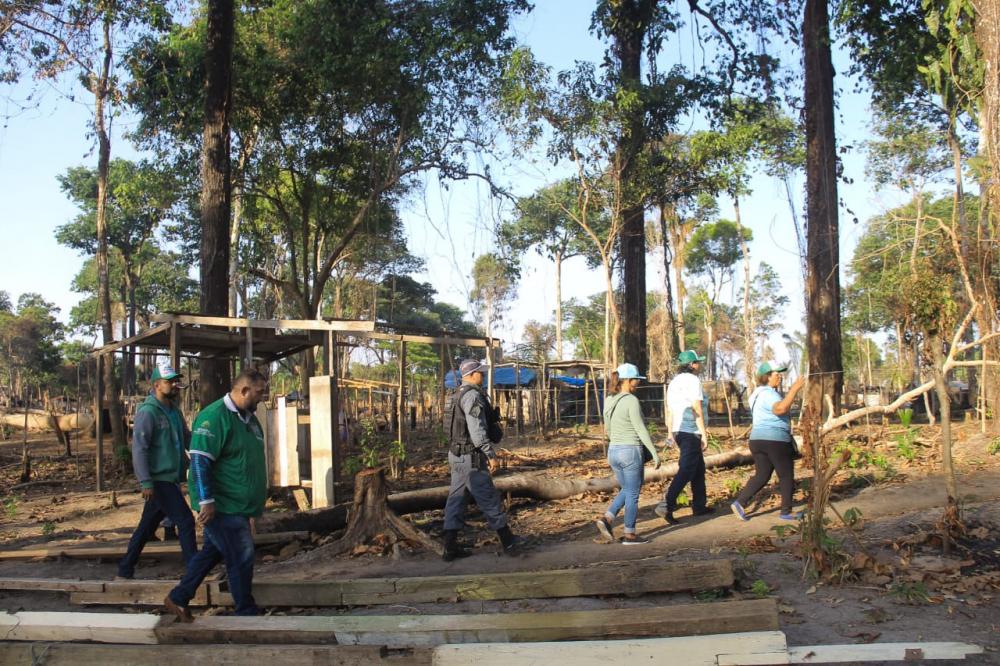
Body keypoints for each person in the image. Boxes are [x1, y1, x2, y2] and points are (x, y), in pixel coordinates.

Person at [164, 368, 269, 621]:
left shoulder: (250, 420)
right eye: (259, 392)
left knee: (213, 552)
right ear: (243, 390)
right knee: (241, 555)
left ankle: (179, 597)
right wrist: (206, 501)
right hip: (222, 506)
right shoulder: (214, 417)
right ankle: (246, 611)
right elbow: (200, 462)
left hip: (240, 506)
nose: (262, 397)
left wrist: (254, 509)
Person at [117, 362, 196, 580]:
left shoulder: (174, 411)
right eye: (168, 382)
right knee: (186, 521)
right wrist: (146, 482)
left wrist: (201, 452)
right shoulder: (148, 413)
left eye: (174, 381)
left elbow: (187, 437)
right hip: (158, 478)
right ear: (156, 385)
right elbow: (139, 448)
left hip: (171, 477)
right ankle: (194, 569)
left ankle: (125, 568)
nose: (173, 385)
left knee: (146, 527)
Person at [441, 358, 525, 561]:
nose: (484, 375)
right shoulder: (471, 396)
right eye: (481, 372)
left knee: (456, 500)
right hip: (471, 457)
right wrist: (490, 454)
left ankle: (449, 548)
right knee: (489, 499)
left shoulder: (456, 395)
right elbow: (476, 430)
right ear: (470, 375)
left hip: (457, 455)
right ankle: (509, 542)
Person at [595, 363, 660, 545]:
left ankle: (607, 519)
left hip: (613, 451)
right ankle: (630, 534)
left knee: (628, 489)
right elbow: (640, 429)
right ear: (627, 381)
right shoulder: (631, 400)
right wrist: (654, 453)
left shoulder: (609, 399)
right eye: (635, 380)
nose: (637, 384)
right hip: (630, 451)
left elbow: (607, 428)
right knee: (633, 494)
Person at [731, 362, 805, 521]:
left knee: (762, 475)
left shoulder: (755, 395)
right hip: (775, 440)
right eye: (776, 374)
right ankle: (786, 512)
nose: (780, 376)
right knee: (786, 475)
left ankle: (739, 502)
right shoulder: (769, 393)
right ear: (767, 377)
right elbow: (780, 409)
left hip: (757, 440)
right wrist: (794, 389)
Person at [657, 350, 711, 525]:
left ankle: (699, 505)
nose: (699, 365)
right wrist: (703, 433)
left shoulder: (673, 383)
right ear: (692, 365)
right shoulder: (693, 381)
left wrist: (670, 434)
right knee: (687, 468)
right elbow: (696, 408)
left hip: (679, 431)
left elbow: (670, 410)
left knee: (698, 469)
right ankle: (667, 504)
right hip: (691, 431)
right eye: (697, 362)